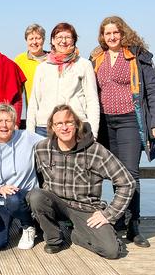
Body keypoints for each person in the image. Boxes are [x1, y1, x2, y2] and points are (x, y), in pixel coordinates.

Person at [91, 16, 155, 247]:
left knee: (130, 173)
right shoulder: (96, 58)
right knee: (114, 173)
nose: (112, 37)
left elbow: (154, 91)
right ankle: (119, 220)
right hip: (104, 123)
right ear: (102, 37)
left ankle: (134, 225)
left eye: (116, 32)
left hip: (129, 121)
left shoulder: (138, 56)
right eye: (107, 33)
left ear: (123, 33)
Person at [28, 105, 135, 259]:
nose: (64, 127)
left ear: (77, 125)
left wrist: (109, 214)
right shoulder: (41, 149)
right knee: (36, 196)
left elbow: (127, 183)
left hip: (85, 209)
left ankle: (73, 233)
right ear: (52, 127)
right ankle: (54, 238)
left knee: (112, 251)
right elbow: (35, 179)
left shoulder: (95, 151)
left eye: (69, 122)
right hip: (56, 204)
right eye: (59, 123)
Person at [0, 103, 43, 250]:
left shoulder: (27, 137)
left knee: (13, 199)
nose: (4, 125)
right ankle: (10, 222)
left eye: (8, 121)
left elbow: (52, 142)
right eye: (0, 121)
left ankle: (28, 225)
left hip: (24, 196)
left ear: (15, 123)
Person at [27, 22, 99, 137]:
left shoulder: (84, 65)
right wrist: (30, 134)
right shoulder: (42, 67)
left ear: (74, 40)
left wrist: (93, 133)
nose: (63, 41)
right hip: (44, 127)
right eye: (59, 37)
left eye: (68, 37)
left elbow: (92, 100)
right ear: (53, 41)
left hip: (76, 125)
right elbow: (33, 102)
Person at [14, 24, 48, 106]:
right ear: (26, 41)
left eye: (38, 38)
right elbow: (14, 89)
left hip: (55, 112)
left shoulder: (53, 58)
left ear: (43, 40)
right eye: (31, 39)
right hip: (33, 111)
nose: (34, 42)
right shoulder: (20, 60)